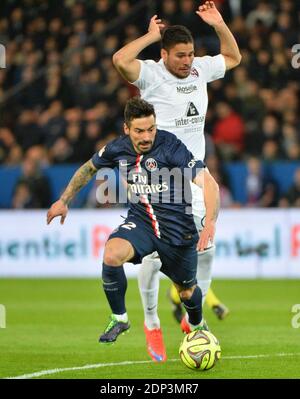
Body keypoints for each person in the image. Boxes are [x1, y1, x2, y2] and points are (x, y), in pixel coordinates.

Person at [112, 1, 241, 360]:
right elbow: (120, 60)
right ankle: (151, 323)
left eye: (190, 55)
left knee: (206, 246)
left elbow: (233, 58)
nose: (187, 61)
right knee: (153, 256)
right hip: (157, 176)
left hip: (195, 173)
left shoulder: (200, 69)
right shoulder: (151, 73)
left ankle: (191, 320)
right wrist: (149, 37)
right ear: (165, 54)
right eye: (180, 55)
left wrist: (218, 25)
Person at [47, 97, 220, 362]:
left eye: (151, 129)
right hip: (142, 222)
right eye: (140, 130)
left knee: (187, 291)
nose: (147, 136)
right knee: (111, 253)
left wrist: (209, 222)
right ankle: (120, 318)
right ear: (126, 128)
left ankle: (196, 324)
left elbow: (208, 183)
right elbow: (89, 168)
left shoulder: (171, 146)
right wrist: (64, 200)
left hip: (177, 228)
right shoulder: (116, 148)